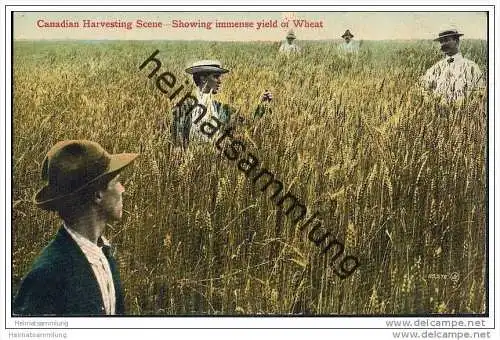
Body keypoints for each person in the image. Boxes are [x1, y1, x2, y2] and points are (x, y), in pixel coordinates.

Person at [13, 140, 139, 316]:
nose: (122, 189)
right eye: (116, 181)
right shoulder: (47, 276)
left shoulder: (104, 256)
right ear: (98, 194)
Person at [171, 60, 272, 148]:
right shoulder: (184, 106)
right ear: (203, 79)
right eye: (216, 77)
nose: (220, 81)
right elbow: (177, 143)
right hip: (192, 164)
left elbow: (246, 123)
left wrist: (262, 105)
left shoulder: (220, 108)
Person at [419, 29, 485, 102]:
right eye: (441, 41)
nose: (443, 44)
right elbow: (424, 89)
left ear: (457, 41)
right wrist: (432, 104)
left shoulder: (471, 67)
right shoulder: (435, 68)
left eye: (447, 40)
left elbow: (480, 92)